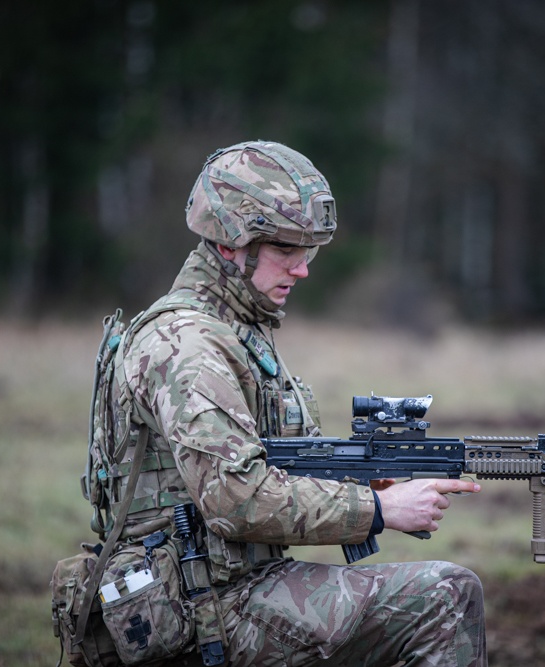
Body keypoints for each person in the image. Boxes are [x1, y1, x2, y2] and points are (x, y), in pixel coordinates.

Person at [101, 140, 485, 666]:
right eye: (286, 250)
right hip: (202, 607)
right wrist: (380, 510)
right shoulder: (188, 344)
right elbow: (236, 499)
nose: (302, 270)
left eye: (308, 252)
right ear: (232, 241)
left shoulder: (233, 331)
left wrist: (359, 480)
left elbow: (266, 466)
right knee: (444, 596)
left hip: (229, 586)